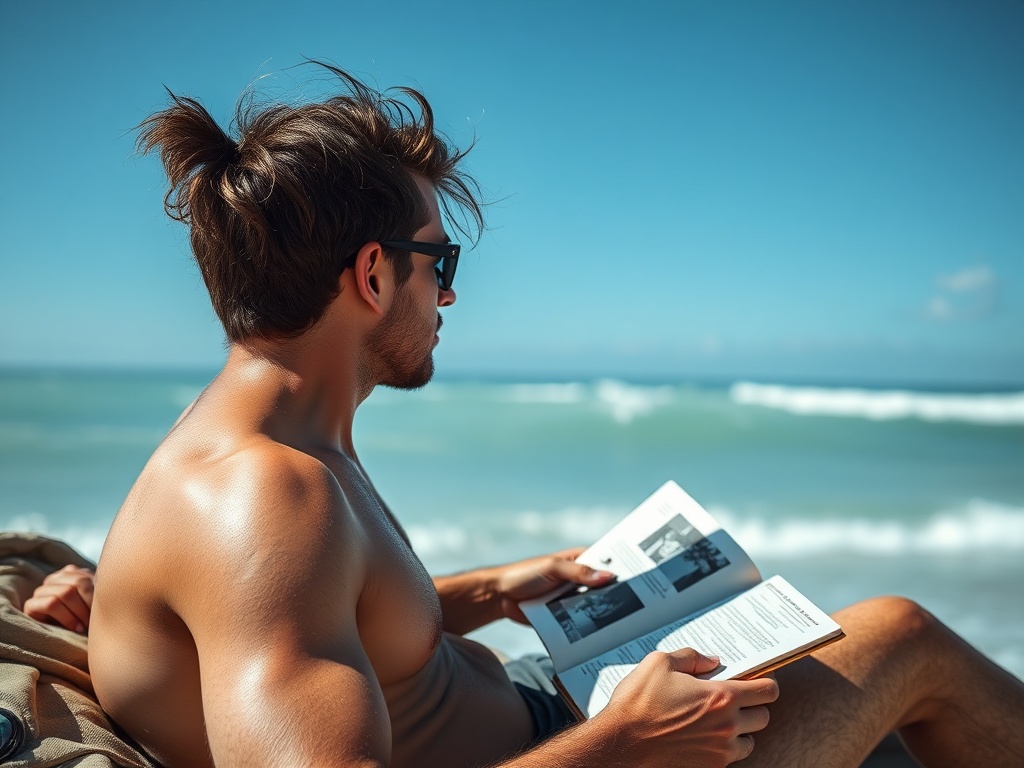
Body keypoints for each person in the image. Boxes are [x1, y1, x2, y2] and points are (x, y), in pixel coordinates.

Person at [83, 63, 1024, 768]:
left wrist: (494, 589)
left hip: (544, 710)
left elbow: (319, 618)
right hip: (577, 745)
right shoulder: (265, 499)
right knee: (902, 637)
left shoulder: (271, 451)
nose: (446, 299)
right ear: (373, 276)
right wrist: (626, 739)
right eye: (438, 266)